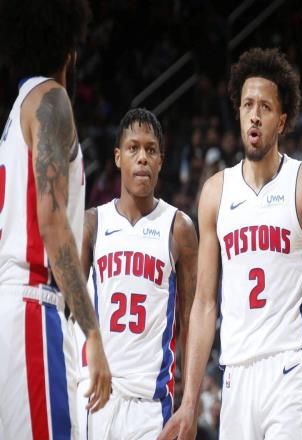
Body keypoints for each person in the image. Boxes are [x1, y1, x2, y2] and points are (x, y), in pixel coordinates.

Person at [160, 48, 302, 440]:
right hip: (235, 372)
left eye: (265, 107)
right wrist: (189, 402)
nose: (255, 115)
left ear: (282, 120)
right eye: (247, 105)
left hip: (289, 368)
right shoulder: (215, 192)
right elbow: (204, 303)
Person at [0, 0, 111, 437]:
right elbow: (51, 224)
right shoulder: (51, 99)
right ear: (69, 51)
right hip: (34, 306)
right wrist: (93, 334)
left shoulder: (15, 115)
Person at [76, 109, 198, 439]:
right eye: (133, 148)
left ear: (160, 161)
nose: (142, 157)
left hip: (151, 403)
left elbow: (190, 318)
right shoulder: (92, 223)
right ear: (118, 157)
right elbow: (69, 309)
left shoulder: (179, 228)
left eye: (151, 149)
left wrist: (190, 401)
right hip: (95, 395)